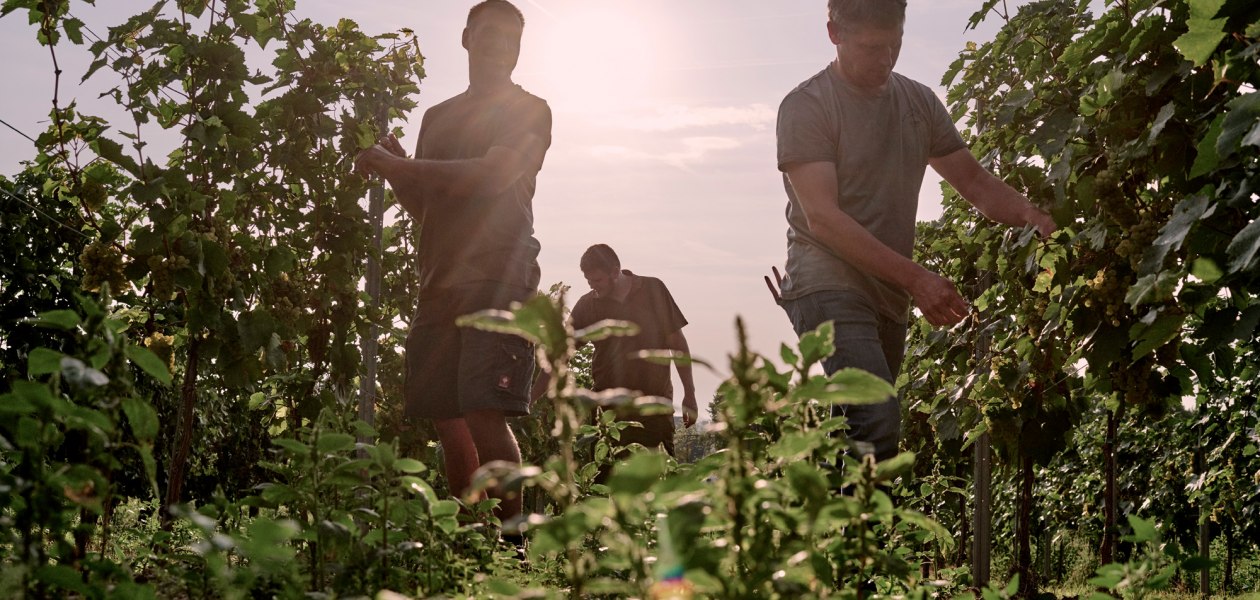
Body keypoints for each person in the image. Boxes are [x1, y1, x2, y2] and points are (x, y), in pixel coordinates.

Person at [773, 0, 1056, 462]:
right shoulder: (807, 106)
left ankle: (826, 526)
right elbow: (822, 219)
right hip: (824, 281)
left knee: (860, 434)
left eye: (895, 44)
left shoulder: (919, 103)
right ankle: (848, 529)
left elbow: (976, 183)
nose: (885, 59)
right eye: (870, 47)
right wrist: (918, 279)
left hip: (887, 292)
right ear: (834, 34)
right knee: (876, 418)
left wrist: (1034, 216)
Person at [353, 0, 551, 526]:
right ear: (466, 38)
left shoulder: (530, 110)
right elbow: (426, 207)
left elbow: (491, 176)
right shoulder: (437, 117)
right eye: (489, 35)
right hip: (439, 277)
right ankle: (469, 535)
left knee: (485, 409)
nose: (500, 46)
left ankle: (511, 542)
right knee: (448, 416)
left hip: (498, 273)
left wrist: (404, 164)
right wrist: (399, 172)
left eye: (512, 38)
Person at [569, 244, 697, 457]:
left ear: (615, 271)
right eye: (588, 280)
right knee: (606, 484)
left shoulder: (653, 290)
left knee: (657, 482)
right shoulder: (587, 305)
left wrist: (690, 394)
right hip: (608, 414)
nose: (593, 286)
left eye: (597, 280)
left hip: (654, 409)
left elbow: (677, 343)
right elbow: (561, 349)